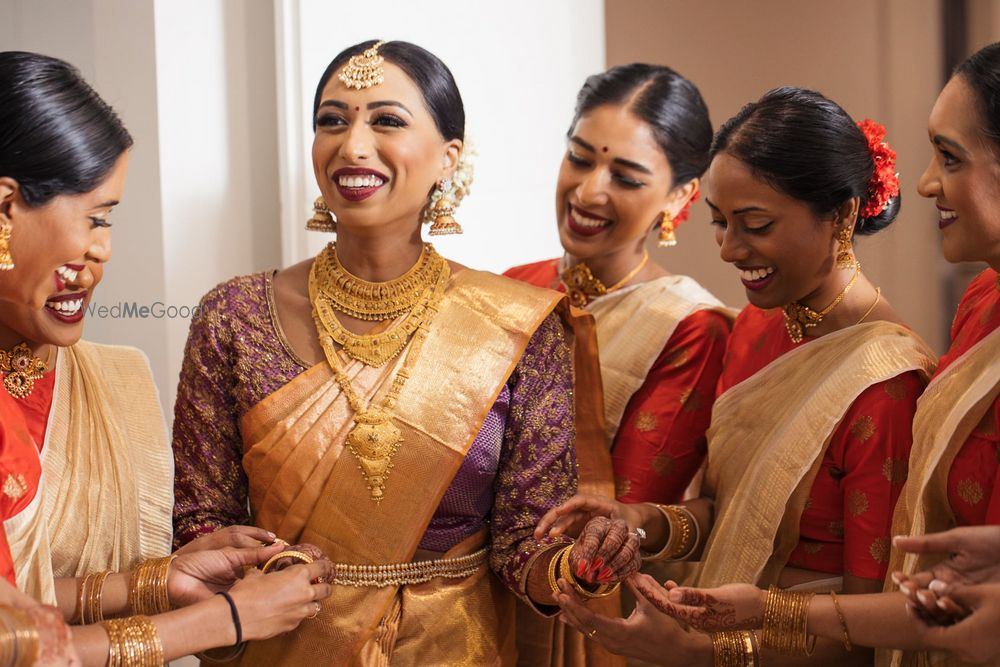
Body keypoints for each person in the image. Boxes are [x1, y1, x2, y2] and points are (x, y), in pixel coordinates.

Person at [171, 39, 641, 665]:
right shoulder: (232, 317)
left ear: (449, 157)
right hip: (285, 642)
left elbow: (525, 545)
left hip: (456, 649)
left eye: (386, 120)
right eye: (332, 121)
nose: (353, 145)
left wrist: (582, 566)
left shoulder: (518, 327)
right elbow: (203, 523)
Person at [540, 86, 937, 665]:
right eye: (719, 222)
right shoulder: (756, 327)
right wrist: (640, 521)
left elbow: (871, 624)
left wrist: (703, 654)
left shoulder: (888, 381)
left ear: (843, 214)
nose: (729, 249)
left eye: (754, 224)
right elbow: (725, 513)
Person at [0, 50, 332, 664]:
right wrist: (226, 620)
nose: (101, 252)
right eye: (94, 218)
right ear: (4, 207)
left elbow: (19, 597)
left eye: (111, 223)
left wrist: (159, 580)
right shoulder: (237, 314)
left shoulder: (110, 380)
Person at [506, 63, 730, 506]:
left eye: (625, 177)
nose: (588, 192)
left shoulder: (689, 328)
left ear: (679, 195)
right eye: (579, 158)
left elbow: (619, 518)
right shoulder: (515, 284)